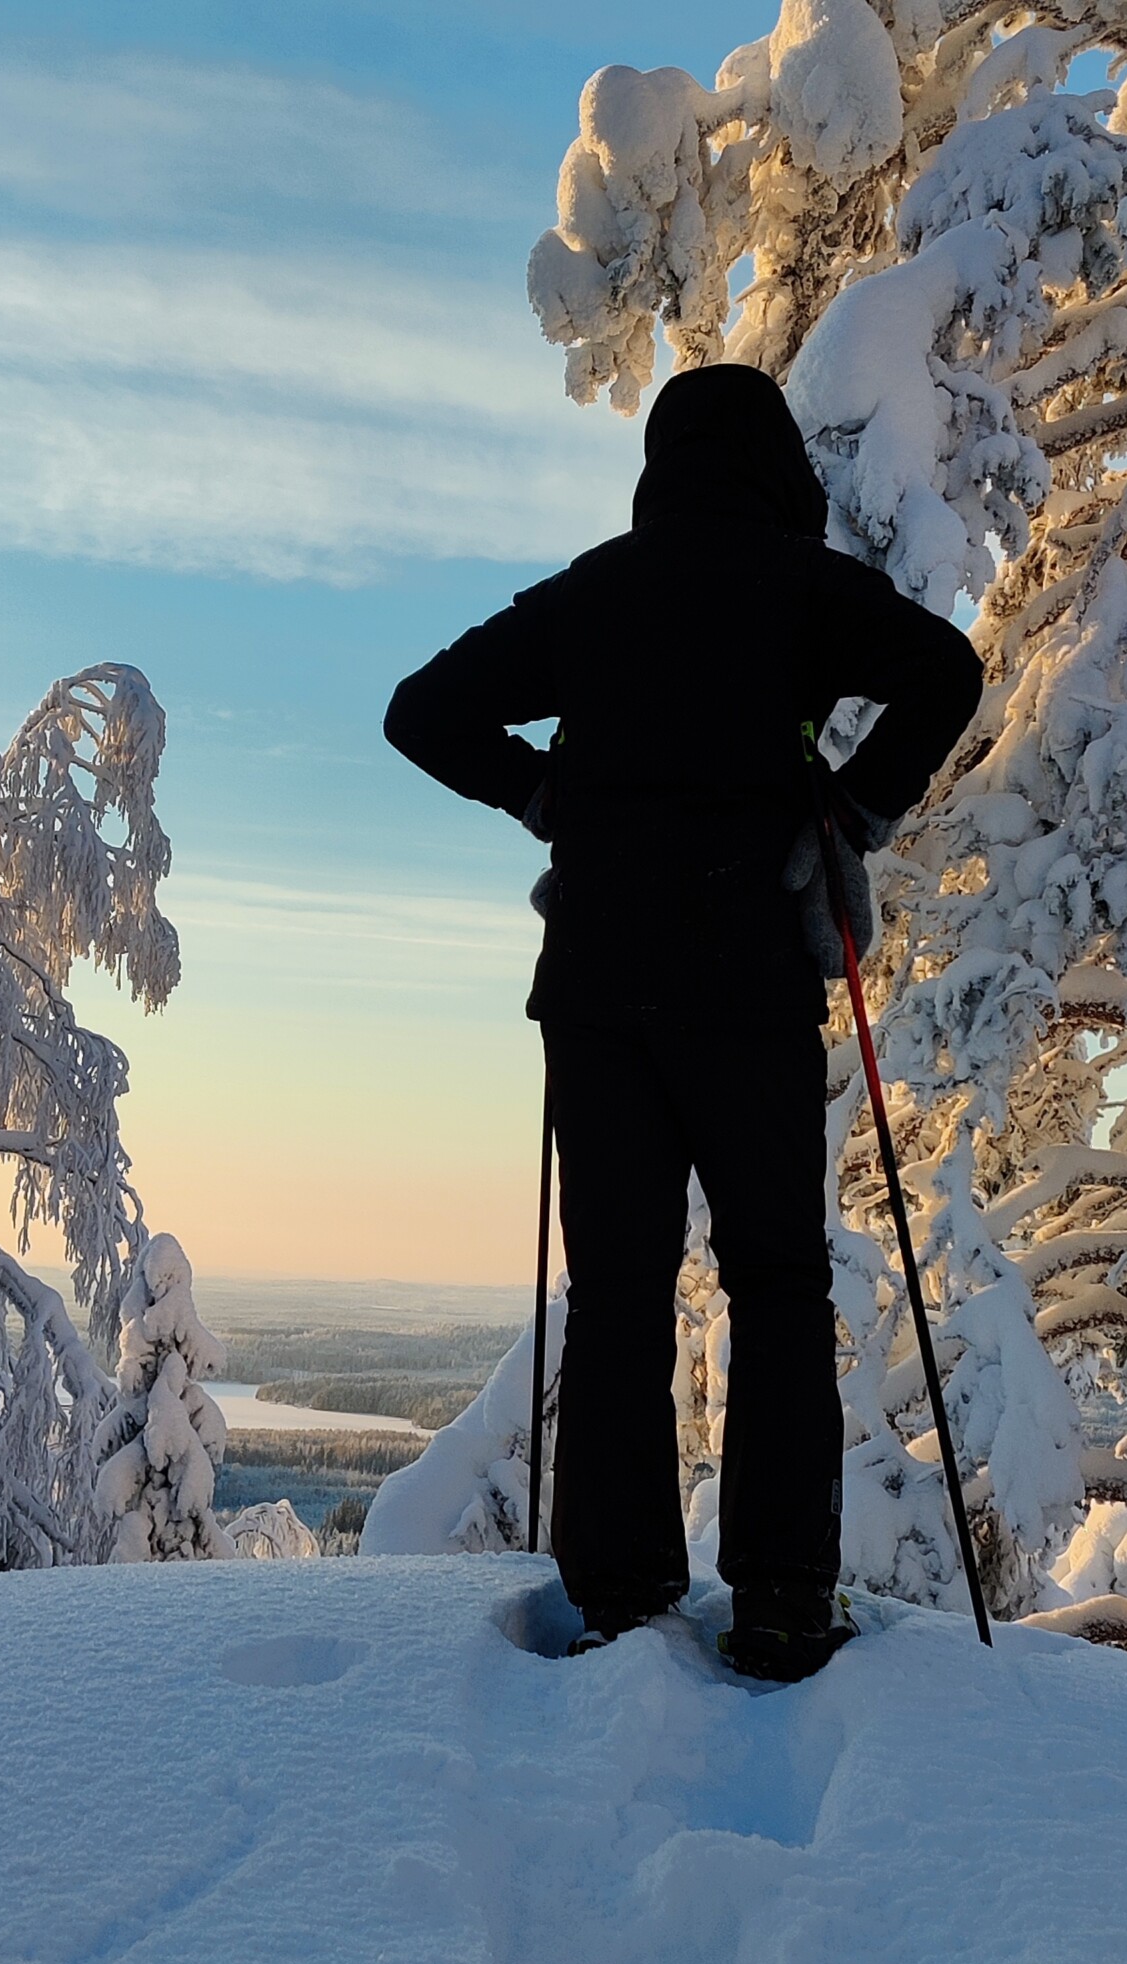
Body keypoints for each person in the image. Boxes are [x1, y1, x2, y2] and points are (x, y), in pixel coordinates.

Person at [383, 364, 981, 1680]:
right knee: (776, 1283)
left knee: (616, 1295)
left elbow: (420, 713)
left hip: (595, 992)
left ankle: (619, 1592)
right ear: (776, 472)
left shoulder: (598, 593)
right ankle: (778, 1597)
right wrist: (851, 808)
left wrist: (548, 800)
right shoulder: (794, 586)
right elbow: (946, 672)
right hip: (749, 985)